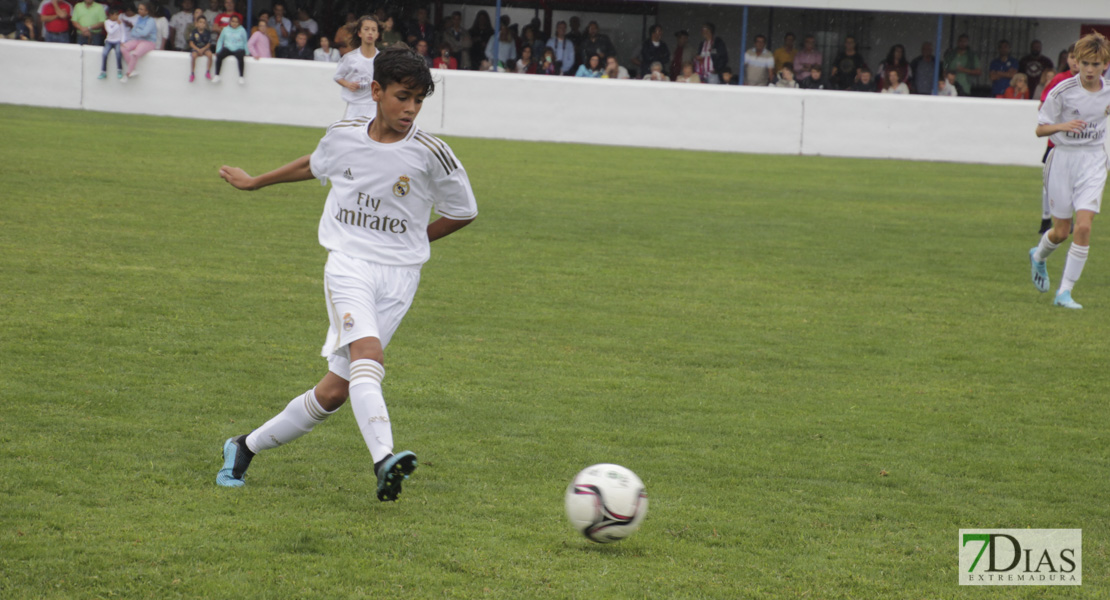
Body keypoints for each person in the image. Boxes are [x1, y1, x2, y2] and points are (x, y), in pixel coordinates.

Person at [215, 47, 478, 503]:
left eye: (419, 100)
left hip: (400, 278)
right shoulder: (344, 135)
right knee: (368, 355)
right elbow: (313, 165)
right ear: (375, 92)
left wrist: (412, 242)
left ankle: (243, 447)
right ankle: (384, 460)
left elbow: (464, 211)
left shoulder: (433, 154)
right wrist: (255, 181)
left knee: (336, 391)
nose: (410, 108)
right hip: (348, 265)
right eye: (402, 96)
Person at [1029, 33, 1110, 309]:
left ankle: (1065, 292)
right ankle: (1038, 257)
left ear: (1105, 65)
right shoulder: (1062, 90)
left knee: (1084, 226)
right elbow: (1040, 129)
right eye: (1085, 63)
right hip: (1062, 160)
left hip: (1093, 161)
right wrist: (1061, 126)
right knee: (1061, 232)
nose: (1089, 70)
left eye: (1096, 64)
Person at [1036, 44, 1079, 233]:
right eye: (1072, 57)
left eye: (1079, 57)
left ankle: (1068, 218)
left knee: (1076, 183)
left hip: (1079, 146)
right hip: (1056, 143)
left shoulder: (1094, 83)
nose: (1075, 61)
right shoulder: (1059, 80)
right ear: (1067, 59)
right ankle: (1046, 218)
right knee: (1050, 182)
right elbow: (1043, 107)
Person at [334, 16, 379, 119]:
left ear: (377, 35)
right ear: (359, 33)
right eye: (366, 29)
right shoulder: (350, 58)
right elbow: (338, 76)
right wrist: (348, 84)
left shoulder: (381, 59)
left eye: (373, 30)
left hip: (373, 106)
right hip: (354, 106)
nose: (370, 33)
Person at [120, 1, 158, 80]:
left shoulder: (151, 21)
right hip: (138, 40)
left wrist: (138, 31)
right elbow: (133, 32)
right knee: (123, 48)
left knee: (135, 54)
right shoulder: (139, 19)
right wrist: (139, 32)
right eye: (139, 9)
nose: (138, 11)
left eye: (141, 9)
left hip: (149, 42)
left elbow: (145, 33)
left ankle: (128, 73)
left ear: (147, 11)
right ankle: (133, 69)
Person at [212, 13, 247, 83]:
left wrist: (247, 52)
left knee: (240, 57)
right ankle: (217, 75)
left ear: (239, 23)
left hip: (238, 48)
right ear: (230, 22)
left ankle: (241, 77)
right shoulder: (225, 29)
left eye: (236, 22)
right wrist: (218, 50)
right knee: (219, 56)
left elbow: (245, 42)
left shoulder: (242, 30)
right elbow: (220, 40)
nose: (234, 23)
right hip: (228, 48)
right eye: (233, 21)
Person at [98, 6, 124, 79]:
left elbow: (123, 32)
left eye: (117, 15)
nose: (117, 16)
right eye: (115, 15)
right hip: (109, 41)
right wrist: (117, 24)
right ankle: (103, 71)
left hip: (117, 41)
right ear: (111, 15)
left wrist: (122, 41)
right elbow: (110, 31)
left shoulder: (119, 22)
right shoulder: (107, 22)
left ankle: (119, 70)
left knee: (118, 53)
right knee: (104, 54)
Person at [187, 13, 212, 80]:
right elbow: (191, 43)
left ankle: (208, 71)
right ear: (197, 23)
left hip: (204, 48)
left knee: (210, 55)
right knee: (194, 56)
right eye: (200, 22)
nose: (202, 24)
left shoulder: (208, 32)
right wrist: (197, 49)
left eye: (204, 23)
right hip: (196, 48)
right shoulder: (193, 32)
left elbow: (209, 44)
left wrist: (203, 49)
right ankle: (192, 73)